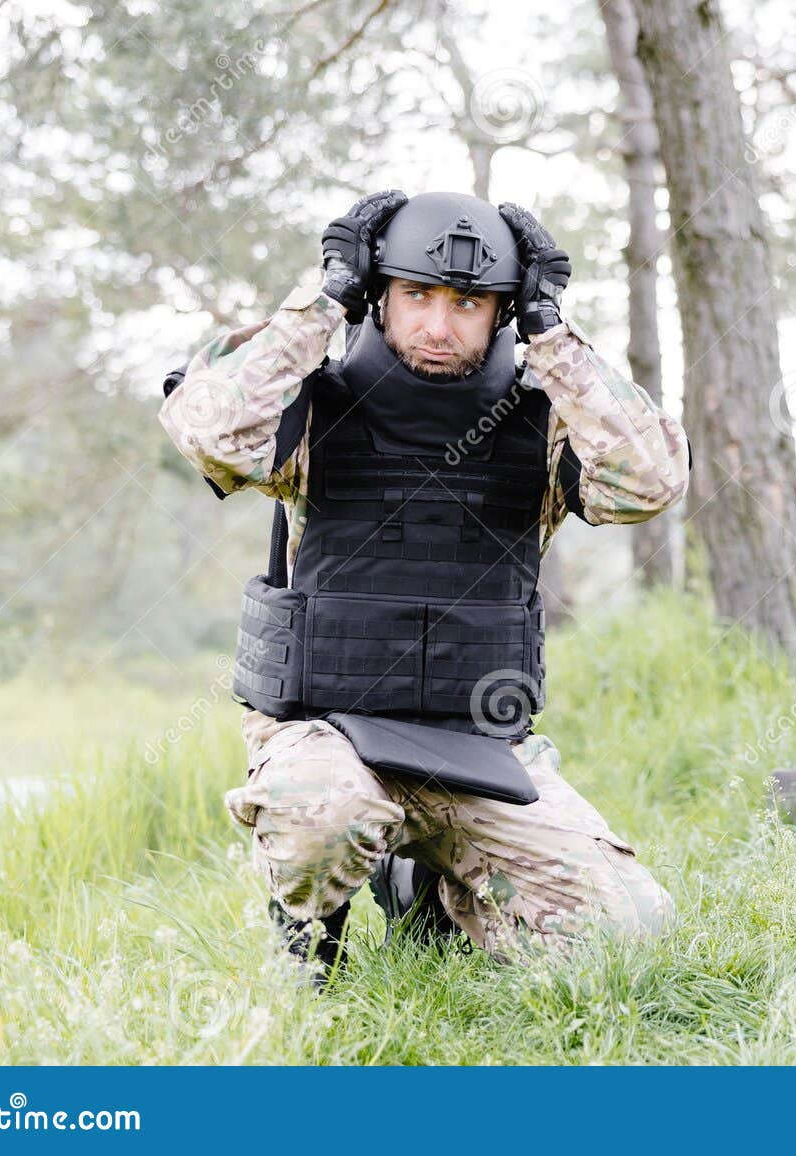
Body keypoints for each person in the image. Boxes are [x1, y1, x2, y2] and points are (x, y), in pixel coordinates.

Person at [158, 190, 688, 983]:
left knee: (627, 938)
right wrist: (325, 298)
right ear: (380, 294)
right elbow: (209, 433)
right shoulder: (310, 406)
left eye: (469, 303)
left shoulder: (544, 425)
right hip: (325, 737)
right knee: (323, 813)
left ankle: (428, 892)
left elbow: (651, 482)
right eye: (417, 295)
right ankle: (309, 952)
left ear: (502, 311)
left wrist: (553, 333)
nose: (439, 326)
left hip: (478, 752)